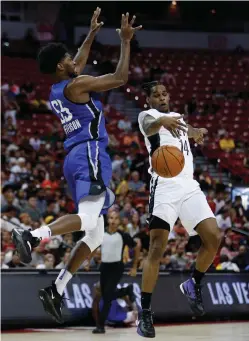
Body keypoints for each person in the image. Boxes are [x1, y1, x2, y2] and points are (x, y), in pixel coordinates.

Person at [12, 9, 142, 324]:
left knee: (94, 234)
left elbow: (78, 66)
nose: (76, 60)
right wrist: (125, 42)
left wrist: (91, 34)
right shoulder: (78, 84)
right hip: (90, 152)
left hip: (73, 159)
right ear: (61, 65)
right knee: (87, 218)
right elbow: (120, 79)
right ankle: (32, 235)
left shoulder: (59, 89)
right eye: (70, 58)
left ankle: (56, 290)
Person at [136, 82, 221, 338]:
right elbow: (151, 126)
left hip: (189, 186)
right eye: (156, 95)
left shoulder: (176, 117)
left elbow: (187, 128)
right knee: (157, 248)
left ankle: (193, 282)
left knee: (214, 237)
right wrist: (162, 120)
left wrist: (196, 131)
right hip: (164, 187)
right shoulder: (147, 116)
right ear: (149, 99)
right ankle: (146, 312)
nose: (161, 97)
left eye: (164, 94)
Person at [92, 210, 139, 333]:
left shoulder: (123, 235)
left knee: (107, 296)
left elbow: (136, 246)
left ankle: (100, 326)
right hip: (104, 267)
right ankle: (125, 291)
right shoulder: (101, 234)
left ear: (119, 221)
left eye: (116, 218)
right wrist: (89, 259)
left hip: (117, 268)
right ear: (108, 220)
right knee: (105, 294)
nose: (113, 221)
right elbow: (92, 245)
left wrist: (134, 266)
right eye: (111, 218)